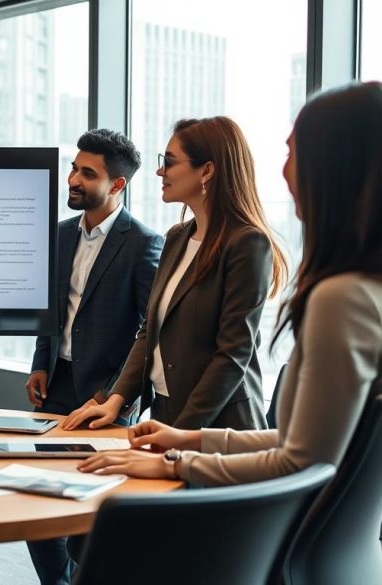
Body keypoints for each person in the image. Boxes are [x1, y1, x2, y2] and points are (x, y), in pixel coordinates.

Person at [77, 82, 382, 485]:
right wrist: (144, 415)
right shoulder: (176, 238)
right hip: (186, 428)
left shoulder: (338, 294)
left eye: (294, 152)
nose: (284, 169)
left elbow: (298, 454)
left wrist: (178, 456)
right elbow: (298, 442)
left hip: (232, 443)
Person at [63, 116, 288, 432]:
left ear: (206, 171)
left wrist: (181, 433)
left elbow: (232, 356)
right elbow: (149, 330)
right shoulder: (176, 237)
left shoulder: (248, 244)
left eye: (169, 163)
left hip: (220, 427)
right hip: (165, 415)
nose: (159, 172)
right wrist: (115, 400)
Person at [24, 129, 163, 585]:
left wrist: (114, 394)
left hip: (106, 399)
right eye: (73, 168)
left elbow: (150, 331)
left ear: (117, 185)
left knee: (91, 516)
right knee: (36, 500)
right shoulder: (60, 235)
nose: (73, 179)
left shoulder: (143, 243)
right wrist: (40, 363)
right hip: (57, 387)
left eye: (87, 173)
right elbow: (51, 308)